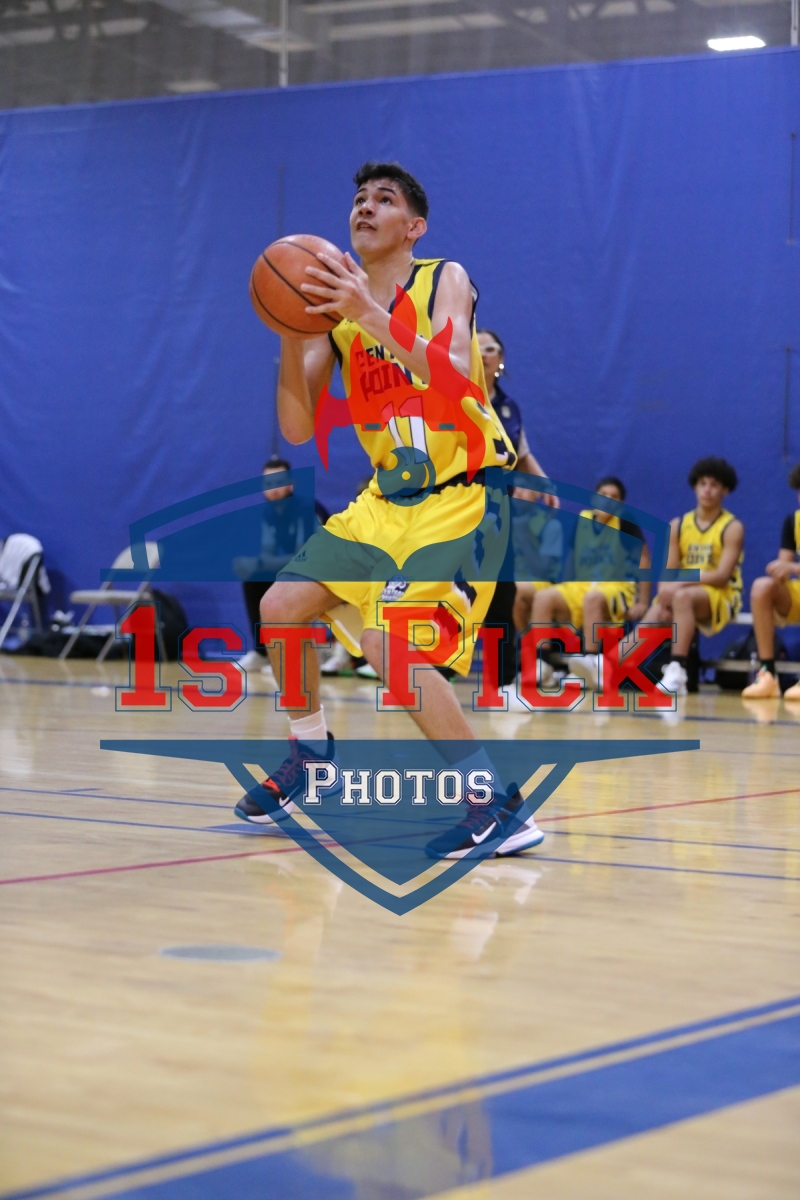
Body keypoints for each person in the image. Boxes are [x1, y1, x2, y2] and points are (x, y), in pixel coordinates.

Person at [236, 161, 544, 859]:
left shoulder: (444, 278)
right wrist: (291, 328)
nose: (365, 207)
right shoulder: (335, 319)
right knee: (281, 608)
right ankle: (311, 755)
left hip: (460, 494)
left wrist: (363, 312)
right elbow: (295, 428)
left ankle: (496, 806)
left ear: (415, 226)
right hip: (384, 502)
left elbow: (453, 373)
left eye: (384, 199)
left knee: (389, 644)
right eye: (358, 199)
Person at [476, 329, 558, 709]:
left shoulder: (509, 408)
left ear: (501, 358)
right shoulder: (454, 395)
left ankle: (501, 683)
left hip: (497, 514)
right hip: (455, 510)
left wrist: (543, 482)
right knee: (441, 593)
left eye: (490, 348)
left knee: (501, 596)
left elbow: (520, 454)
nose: (483, 354)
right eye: (476, 347)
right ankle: (420, 674)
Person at [518, 476, 650, 689]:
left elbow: (644, 558)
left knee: (593, 598)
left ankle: (591, 665)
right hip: (583, 585)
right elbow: (572, 558)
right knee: (544, 597)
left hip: (618, 588)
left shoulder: (625, 522)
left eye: (614, 497)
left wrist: (643, 602)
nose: (608, 500)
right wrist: (564, 591)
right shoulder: (583, 520)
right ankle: (544, 664)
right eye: (603, 495)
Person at [641, 457, 744, 697]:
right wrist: (664, 594)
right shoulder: (678, 525)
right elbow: (667, 571)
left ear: (725, 490)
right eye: (702, 484)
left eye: (714, 485)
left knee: (683, 597)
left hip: (723, 594)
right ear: (695, 487)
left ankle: (678, 670)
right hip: (683, 591)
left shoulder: (732, 527)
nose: (707, 490)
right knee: (655, 613)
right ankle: (608, 666)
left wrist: (678, 585)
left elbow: (721, 576)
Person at [236, 456, 329, 681]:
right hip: (299, 569)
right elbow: (268, 555)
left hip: (330, 571)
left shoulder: (305, 509)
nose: (274, 489)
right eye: (268, 483)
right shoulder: (269, 514)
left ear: (290, 485)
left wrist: (262, 563)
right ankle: (262, 652)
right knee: (254, 578)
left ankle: (294, 654)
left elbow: (303, 556)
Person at [741, 462, 800, 700]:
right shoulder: (793, 521)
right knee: (762, 587)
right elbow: (784, 569)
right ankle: (767, 674)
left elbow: (792, 566)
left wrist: (793, 567)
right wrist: (779, 569)